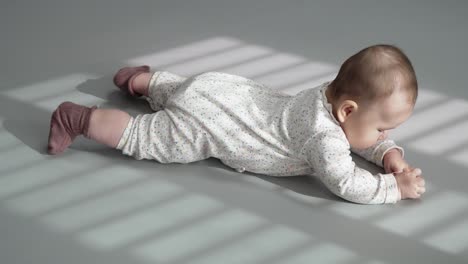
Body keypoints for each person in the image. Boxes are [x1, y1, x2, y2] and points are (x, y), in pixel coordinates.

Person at [47, 44, 426, 204]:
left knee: (181, 89)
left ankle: (142, 81)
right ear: (347, 110)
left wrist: (385, 151)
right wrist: (394, 187)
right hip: (211, 126)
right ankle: (81, 119)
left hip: (223, 90)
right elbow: (346, 182)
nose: (385, 135)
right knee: (149, 139)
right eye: (383, 129)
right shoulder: (324, 140)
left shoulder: (326, 95)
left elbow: (355, 133)